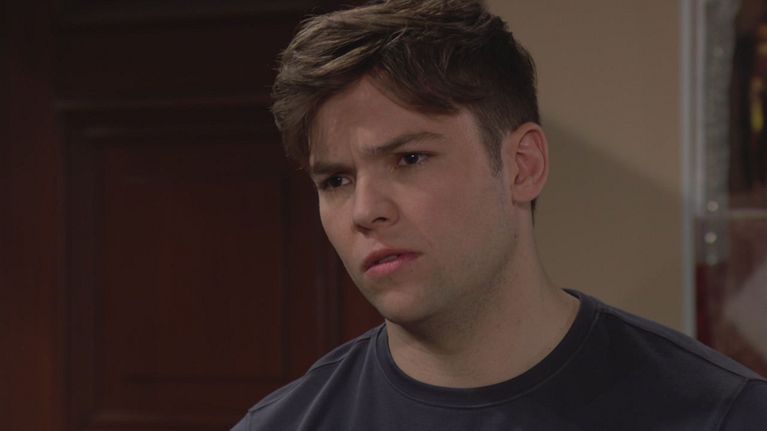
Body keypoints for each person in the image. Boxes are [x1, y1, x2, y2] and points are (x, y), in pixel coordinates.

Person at [232, 1, 767, 429]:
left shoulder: (724, 414)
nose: (365, 211)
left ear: (522, 166)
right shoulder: (282, 425)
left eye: (410, 159)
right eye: (336, 181)